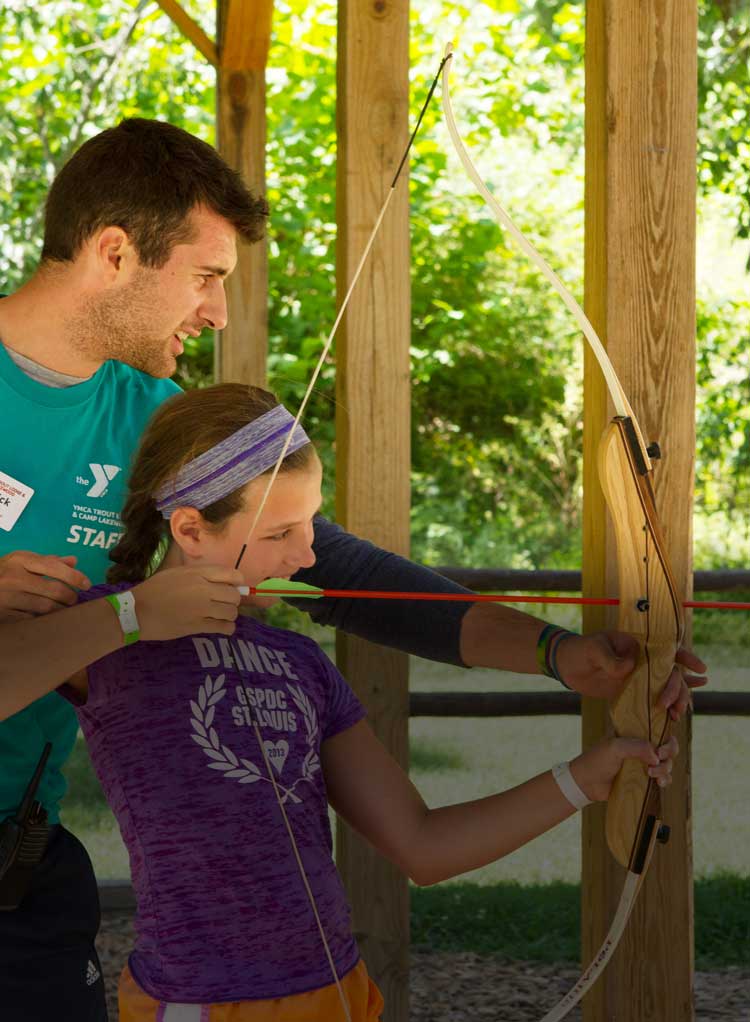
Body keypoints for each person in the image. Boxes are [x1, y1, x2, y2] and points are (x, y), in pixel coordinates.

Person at [0, 118, 704, 1021]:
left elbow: (332, 568)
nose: (216, 311)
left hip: (22, 864)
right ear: (113, 252)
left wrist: (563, 656)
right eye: (206, 276)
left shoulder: (154, 414)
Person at [0, 384, 681, 1022]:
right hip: (203, 1002)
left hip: (338, 991)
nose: (304, 554)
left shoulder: (300, 664)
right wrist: (130, 615)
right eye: (277, 533)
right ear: (189, 528)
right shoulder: (111, 633)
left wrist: (587, 779)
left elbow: (423, 847)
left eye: (310, 524)